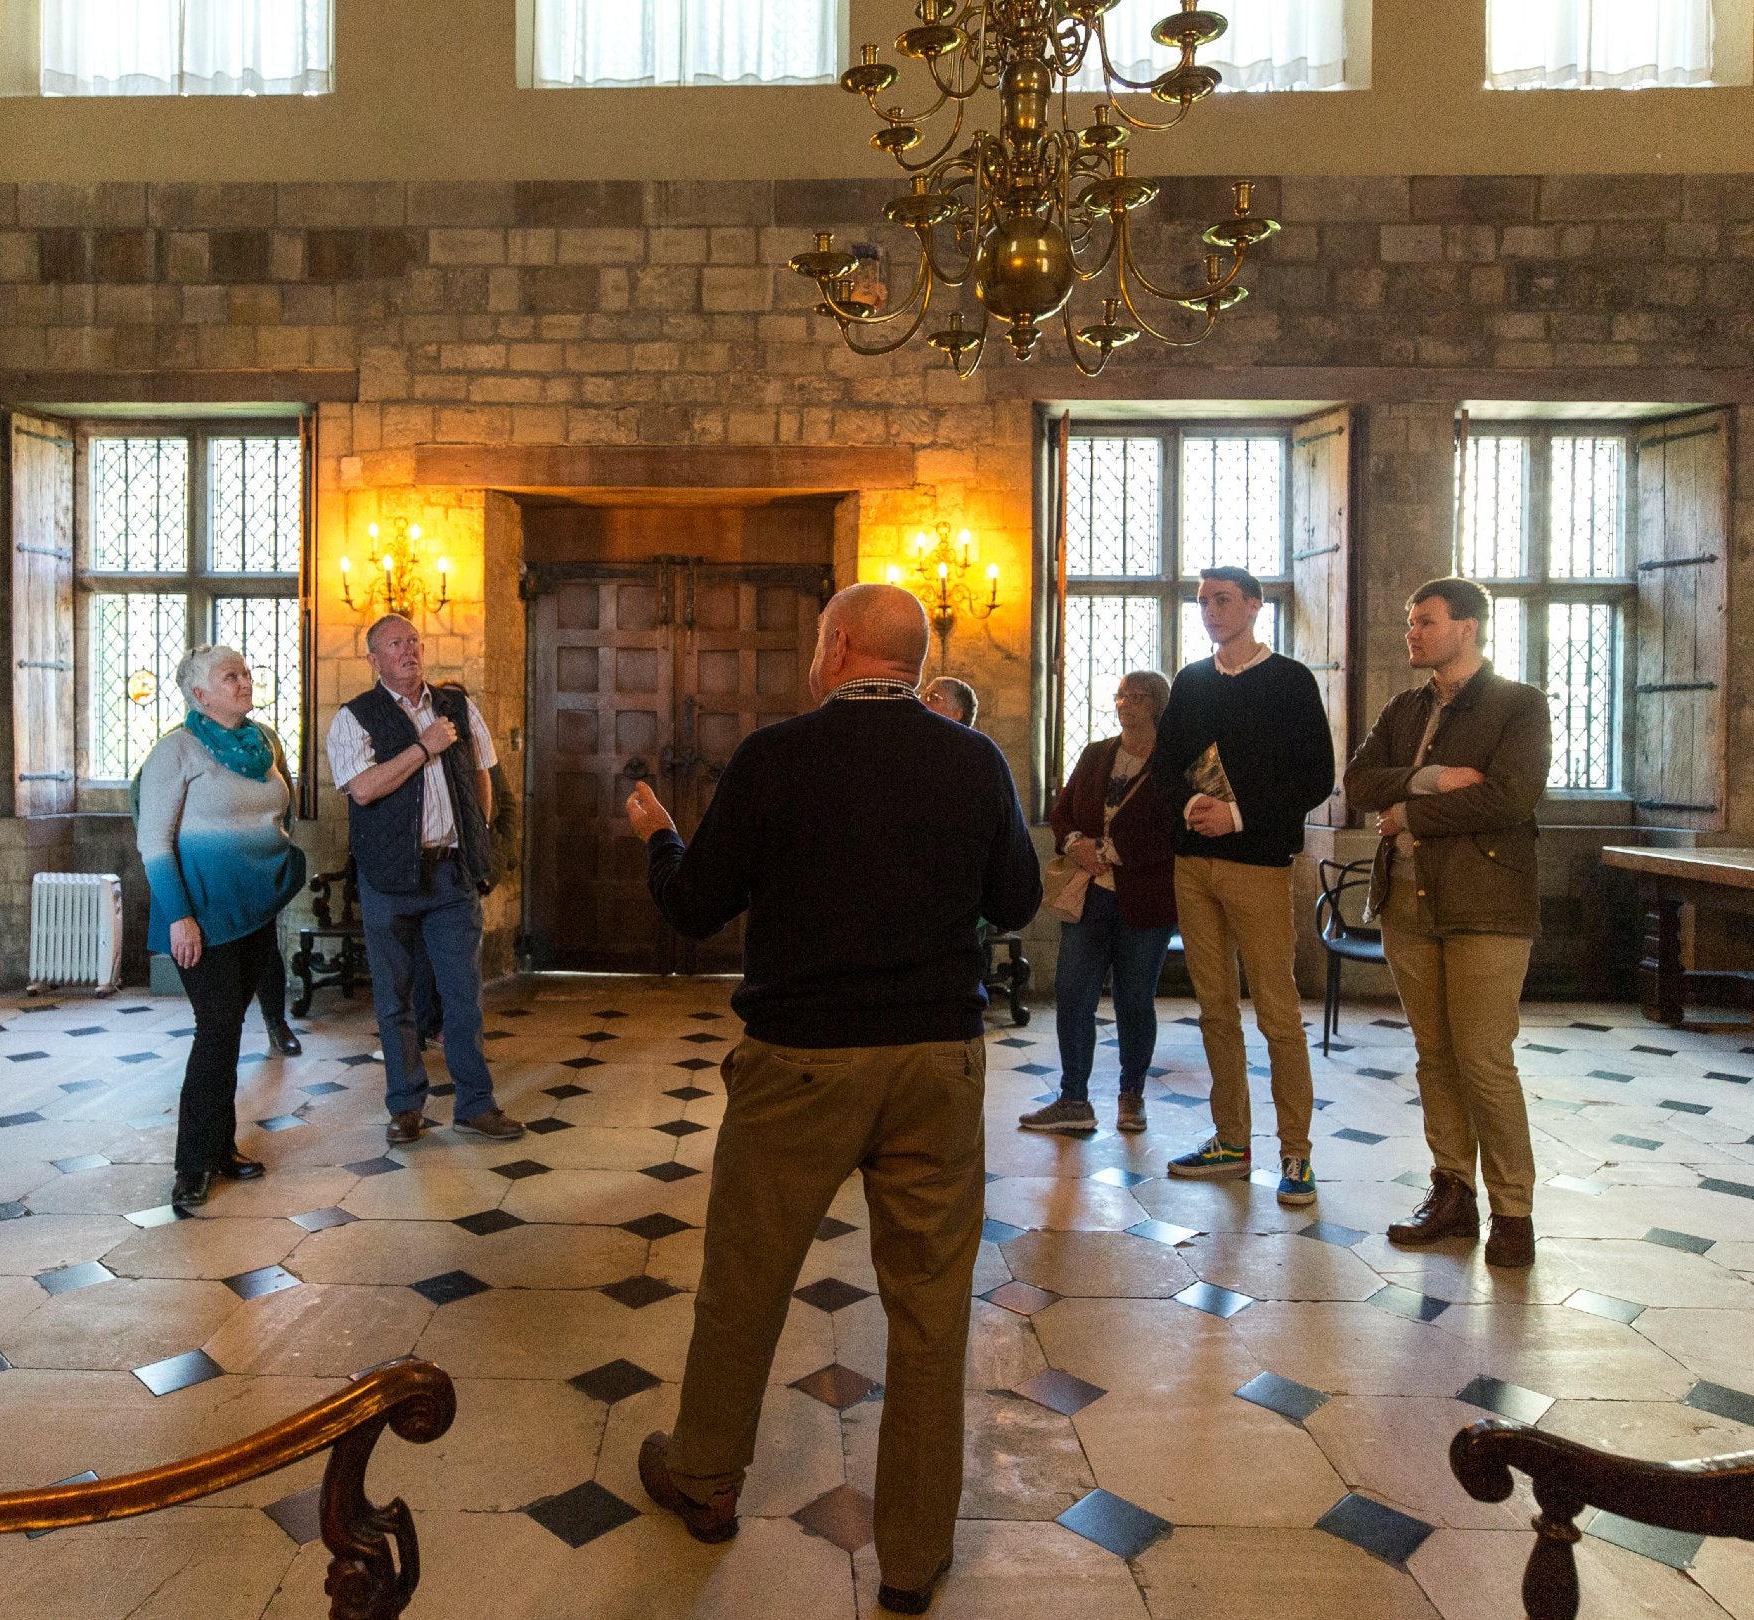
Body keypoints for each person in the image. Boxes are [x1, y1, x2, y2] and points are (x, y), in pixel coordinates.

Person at [624, 582, 1040, 1617]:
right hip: (936, 1060)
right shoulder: (973, 759)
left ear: (840, 646)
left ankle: (708, 1483)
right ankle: (911, 1555)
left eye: (818, 640)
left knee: (747, 1284)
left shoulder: (778, 757)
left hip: (802, 1062)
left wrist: (659, 836)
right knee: (933, 1309)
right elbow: (1020, 900)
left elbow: (695, 905)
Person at [1343, 577, 1551, 1269]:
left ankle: (1513, 1210)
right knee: (1434, 1056)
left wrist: (1410, 814)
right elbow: (1359, 782)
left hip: (1485, 904)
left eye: (1425, 621)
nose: (1412, 633)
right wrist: (1432, 782)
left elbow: (1510, 800)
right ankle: (1452, 1191)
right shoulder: (1406, 707)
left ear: (1467, 627)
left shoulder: (1518, 706)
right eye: (1411, 622)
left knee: (1484, 1059)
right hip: (1408, 900)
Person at [1147, 565, 1335, 1206]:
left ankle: (1296, 1154)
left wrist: (1239, 813)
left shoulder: (1290, 681)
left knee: (1278, 1013)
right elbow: (1167, 763)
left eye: (1222, 600)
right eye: (1202, 601)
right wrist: (1189, 808)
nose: (1210, 611)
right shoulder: (1191, 682)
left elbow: (1314, 775)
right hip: (1192, 863)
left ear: (1254, 607)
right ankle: (1231, 1140)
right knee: (1214, 1011)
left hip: (1256, 862)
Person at [324, 614, 524, 1146]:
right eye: (395, 644)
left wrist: (475, 836)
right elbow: (362, 789)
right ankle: (406, 1107)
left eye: (414, 641)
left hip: (450, 875)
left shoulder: (456, 707)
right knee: (396, 999)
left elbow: (482, 771)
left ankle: (476, 1105)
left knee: (463, 996)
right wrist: (423, 747)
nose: (409, 651)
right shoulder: (354, 718)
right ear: (374, 660)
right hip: (390, 878)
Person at [137, 644, 307, 1214]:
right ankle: (190, 1166)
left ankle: (221, 1148)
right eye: (230, 676)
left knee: (229, 1034)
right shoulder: (176, 752)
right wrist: (181, 917)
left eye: (246, 673)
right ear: (199, 693)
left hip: (251, 914)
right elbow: (154, 843)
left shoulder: (261, 745)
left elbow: (270, 816)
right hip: (201, 920)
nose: (244, 682)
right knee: (214, 1033)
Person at [1020, 670, 1175, 1137]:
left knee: (1133, 1000)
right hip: (1088, 896)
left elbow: (1176, 829)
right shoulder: (1096, 754)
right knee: (1072, 994)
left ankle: (1131, 1096)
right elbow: (1063, 808)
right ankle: (1073, 1099)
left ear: (1158, 705)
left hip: (1145, 900)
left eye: (1138, 696)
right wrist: (1073, 842)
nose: (1125, 703)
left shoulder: (1173, 762)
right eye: (1121, 694)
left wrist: (1113, 852)